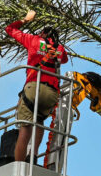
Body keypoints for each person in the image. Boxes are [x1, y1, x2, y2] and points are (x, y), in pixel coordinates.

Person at [5, 10, 68, 163]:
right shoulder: (59, 49)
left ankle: (19, 164)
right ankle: (33, 156)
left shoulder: (33, 40)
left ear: (42, 33)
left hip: (34, 88)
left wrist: (26, 20)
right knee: (39, 121)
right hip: (51, 93)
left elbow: (10, 29)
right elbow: (64, 59)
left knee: (25, 129)